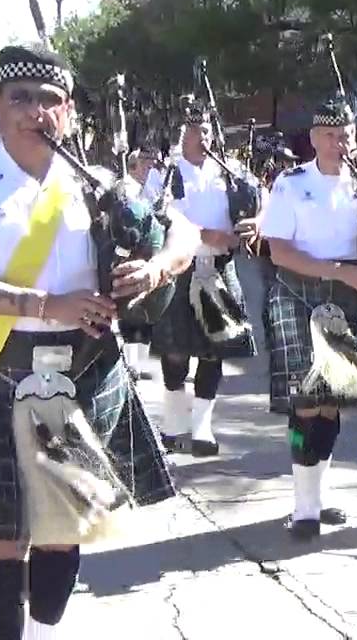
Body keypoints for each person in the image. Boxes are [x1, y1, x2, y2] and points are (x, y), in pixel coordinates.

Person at [0, 46, 195, 639]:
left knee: (62, 526)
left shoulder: (98, 183)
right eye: (20, 97)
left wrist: (156, 270)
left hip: (84, 369)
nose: (34, 111)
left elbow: (184, 232)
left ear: (67, 110)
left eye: (49, 99)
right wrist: (43, 305)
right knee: (2, 537)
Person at [261, 96, 357, 539]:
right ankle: (304, 506)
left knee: (331, 401)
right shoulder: (291, 183)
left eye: (346, 134)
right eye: (330, 135)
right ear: (314, 139)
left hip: (351, 296)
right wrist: (337, 270)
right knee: (307, 402)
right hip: (301, 292)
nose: (339, 142)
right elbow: (279, 251)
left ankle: (317, 496)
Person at [150, 103, 257, 456]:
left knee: (214, 354)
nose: (203, 137)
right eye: (195, 131)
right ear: (182, 135)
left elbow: (262, 200)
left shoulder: (230, 171)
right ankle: (172, 427)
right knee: (175, 353)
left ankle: (201, 431)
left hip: (220, 269)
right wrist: (204, 234)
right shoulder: (166, 172)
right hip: (180, 270)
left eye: (208, 131)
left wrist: (256, 224)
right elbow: (156, 217)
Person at [118, 145, 163, 380]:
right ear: (133, 167)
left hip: (150, 253)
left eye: (150, 164)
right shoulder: (126, 188)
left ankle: (139, 363)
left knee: (147, 310)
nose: (148, 168)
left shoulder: (154, 186)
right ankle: (129, 363)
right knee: (129, 310)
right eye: (143, 164)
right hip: (129, 251)